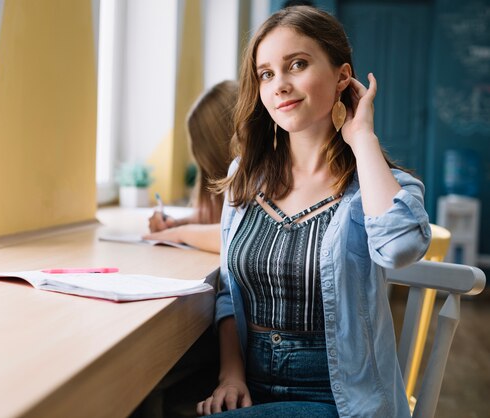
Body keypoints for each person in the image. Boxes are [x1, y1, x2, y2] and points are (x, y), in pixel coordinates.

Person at [197, 6, 431, 417]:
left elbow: (399, 248)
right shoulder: (244, 176)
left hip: (340, 398)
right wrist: (230, 375)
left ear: (343, 76)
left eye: (297, 65)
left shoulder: (375, 184)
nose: (279, 85)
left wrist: (362, 138)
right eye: (266, 74)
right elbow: (228, 295)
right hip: (250, 385)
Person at [144, 80, 239, 253]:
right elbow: (223, 219)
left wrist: (180, 233)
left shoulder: (263, 176)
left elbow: (239, 235)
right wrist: (177, 224)